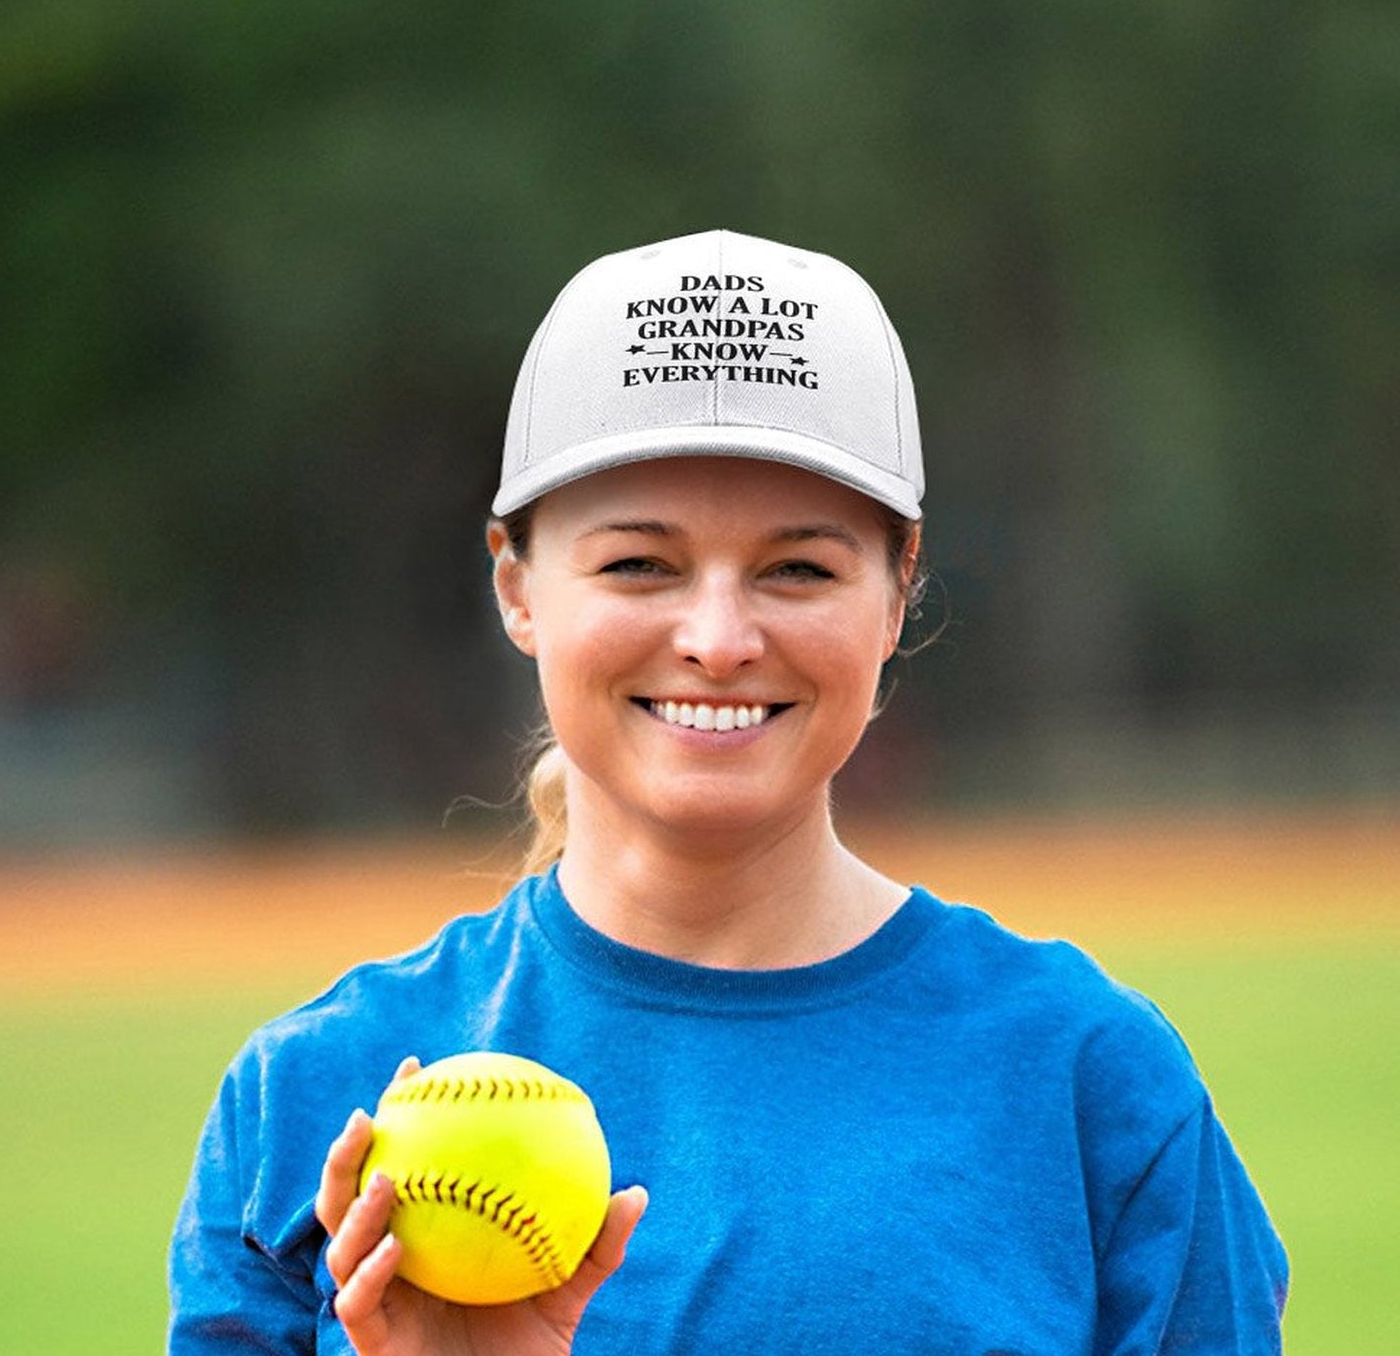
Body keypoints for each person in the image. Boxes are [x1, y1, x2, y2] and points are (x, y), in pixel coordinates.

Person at [168, 229, 1288, 1355]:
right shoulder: (314, 1102)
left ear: (896, 596)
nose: (716, 639)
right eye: (638, 564)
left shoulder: (1085, 1079)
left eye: (796, 567)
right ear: (516, 586)